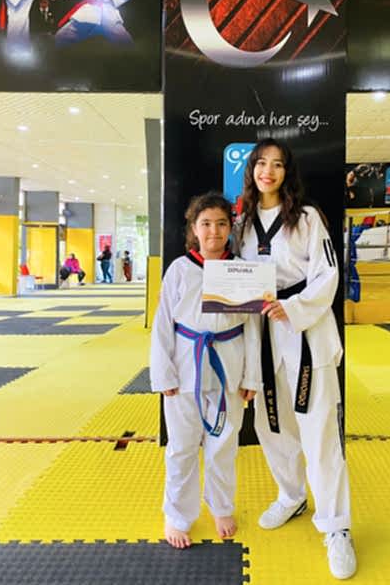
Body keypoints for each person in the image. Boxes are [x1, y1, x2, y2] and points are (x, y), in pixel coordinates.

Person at [235, 139, 356, 581]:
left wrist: (295, 307)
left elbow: (328, 274)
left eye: (277, 164)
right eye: (261, 163)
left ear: (287, 173)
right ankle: (292, 495)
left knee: (320, 432)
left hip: (306, 332)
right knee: (272, 427)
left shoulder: (306, 218)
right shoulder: (242, 224)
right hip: (263, 336)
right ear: (251, 169)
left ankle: (336, 527)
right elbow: (236, 281)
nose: (268, 171)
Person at [150, 192, 261, 549]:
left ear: (231, 228)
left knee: (224, 446)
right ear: (194, 229)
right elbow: (163, 324)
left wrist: (252, 376)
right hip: (185, 366)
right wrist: (163, 372)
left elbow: (253, 328)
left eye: (221, 223)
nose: (214, 231)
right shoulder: (179, 270)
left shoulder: (241, 269)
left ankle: (221, 507)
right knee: (181, 447)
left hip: (230, 365)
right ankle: (178, 514)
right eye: (206, 224)